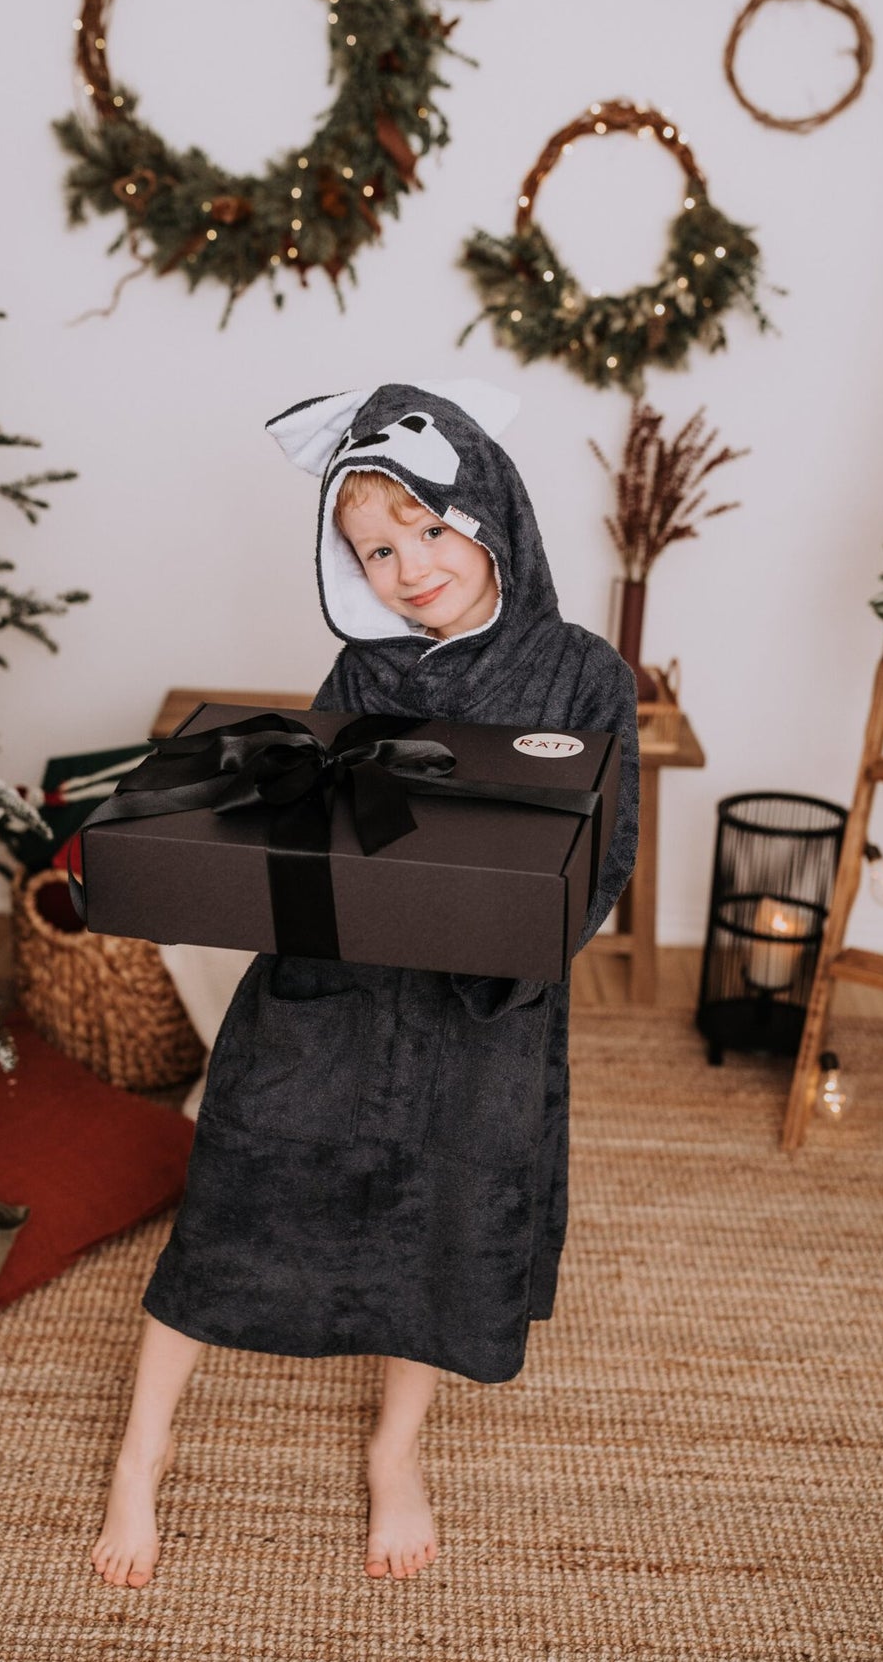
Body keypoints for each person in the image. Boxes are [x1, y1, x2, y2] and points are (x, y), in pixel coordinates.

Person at [90, 379, 639, 1589]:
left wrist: (523, 925)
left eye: (432, 530)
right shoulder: (362, 667)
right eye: (378, 550)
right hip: (329, 999)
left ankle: (397, 1450)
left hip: (480, 1023)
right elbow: (310, 836)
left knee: (440, 1223)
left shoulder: (585, 676)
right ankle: (143, 1449)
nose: (410, 568)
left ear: (489, 512)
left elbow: (606, 857)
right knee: (237, 1187)